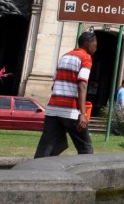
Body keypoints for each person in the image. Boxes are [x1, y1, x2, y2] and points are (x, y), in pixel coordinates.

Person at [34, 30, 97, 158]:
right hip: (70, 111)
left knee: (46, 147)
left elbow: (55, 83)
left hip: (53, 109)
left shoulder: (65, 56)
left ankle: (36, 172)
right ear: (86, 44)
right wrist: (83, 114)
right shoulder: (86, 58)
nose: (96, 47)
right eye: (94, 43)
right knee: (86, 149)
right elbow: (82, 85)